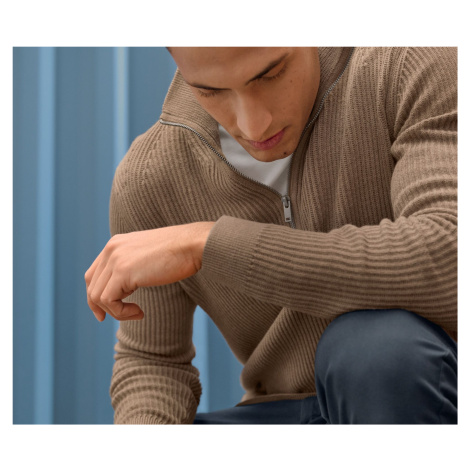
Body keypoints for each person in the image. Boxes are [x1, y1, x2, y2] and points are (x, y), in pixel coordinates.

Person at [84, 47, 457, 424]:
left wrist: (209, 245)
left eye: (270, 75)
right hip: (281, 412)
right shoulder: (149, 178)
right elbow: (153, 362)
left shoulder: (408, 63)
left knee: (379, 350)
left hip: (423, 392)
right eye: (210, 92)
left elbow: (449, 259)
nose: (254, 126)